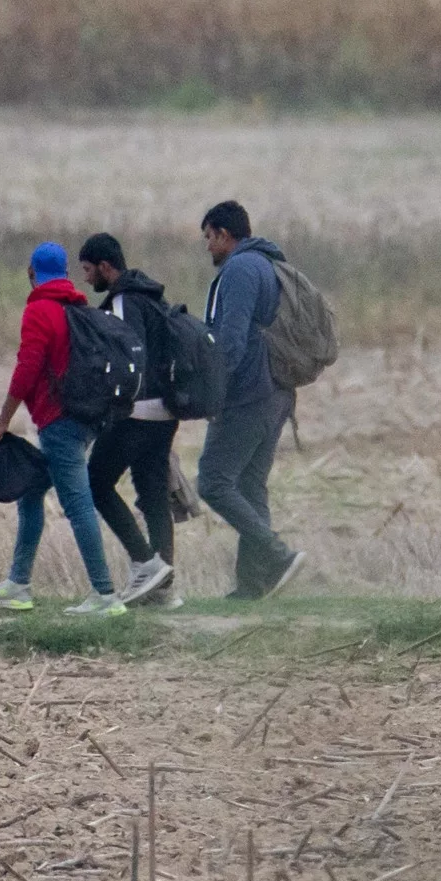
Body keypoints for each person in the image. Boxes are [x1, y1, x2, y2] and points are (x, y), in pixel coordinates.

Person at [0, 242, 128, 616]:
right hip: (84, 417)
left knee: (77, 503)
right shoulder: (77, 308)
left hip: (60, 422)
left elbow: (27, 369)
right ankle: (18, 584)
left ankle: (105, 595)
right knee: (31, 491)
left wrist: (2, 421)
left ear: (32, 272)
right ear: (65, 273)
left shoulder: (40, 311)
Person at [196, 201, 305, 599]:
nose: (208, 246)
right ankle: (252, 585)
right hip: (276, 392)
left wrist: (213, 392)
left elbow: (231, 341)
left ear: (225, 234)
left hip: (249, 394)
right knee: (249, 485)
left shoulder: (240, 269)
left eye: (209, 237)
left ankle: (277, 555)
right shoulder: (267, 264)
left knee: (212, 480)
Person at [77, 231, 181, 608]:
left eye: (88, 270)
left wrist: (107, 405)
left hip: (138, 410)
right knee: (153, 490)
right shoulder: (154, 297)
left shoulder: (123, 301)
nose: (86, 278)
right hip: (167, 411)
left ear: (106, 266)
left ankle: (144, 564)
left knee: (94, 482)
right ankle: (164, 588)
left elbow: (127, 354)